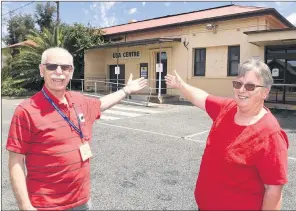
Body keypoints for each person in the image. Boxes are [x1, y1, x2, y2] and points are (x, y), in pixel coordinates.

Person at [6, 47, 147, 211]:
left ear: (71, 72)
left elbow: (101, 104)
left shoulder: (79, 100)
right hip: (46, 205)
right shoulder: (26, 111)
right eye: (52, 66)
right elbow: (15, 162)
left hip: (82, 201)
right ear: (41, 70)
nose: (59, 72)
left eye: (65, 67)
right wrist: (25, 206)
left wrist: (126, 90)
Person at [165, 58, 289, 210]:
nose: (242, 90)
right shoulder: (227, 108)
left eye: (250, 86)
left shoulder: (270, 134)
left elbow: (274, 190)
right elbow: (201, 97)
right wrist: (181, 85)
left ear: (265, 92)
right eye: (238, 83)